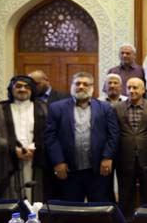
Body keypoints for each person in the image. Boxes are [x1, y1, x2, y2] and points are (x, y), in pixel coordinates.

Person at [45, 72, 119, 202]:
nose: (81, 87)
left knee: (99, 207)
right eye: (77, 83)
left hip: (98, 168)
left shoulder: (105, 108)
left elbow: (113, 134)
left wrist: (107, 157)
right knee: (70, 207)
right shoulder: (57, 108)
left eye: (85, 84)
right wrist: (58, 161)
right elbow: (50, 137)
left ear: (92, 87)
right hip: (68, 168)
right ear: (72, 86)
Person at [0, 75, 48, 201]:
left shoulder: (43, 108)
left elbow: (49, 132)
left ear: (32, 90)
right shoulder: (0, 108)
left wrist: (35, 148)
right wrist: (13, 148)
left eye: (26, 87)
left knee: (35, 194)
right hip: (6, 159)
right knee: (10, 194)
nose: (22, 89)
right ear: (11, 89)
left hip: (35, 158)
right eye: (18, 86)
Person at [113, 77, 147, 220]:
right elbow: (114, 133)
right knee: (125, 194)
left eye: (135, 87)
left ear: (143, 90)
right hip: (124, 157)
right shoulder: (117, 108)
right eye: (129, 87)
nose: (131, 90)